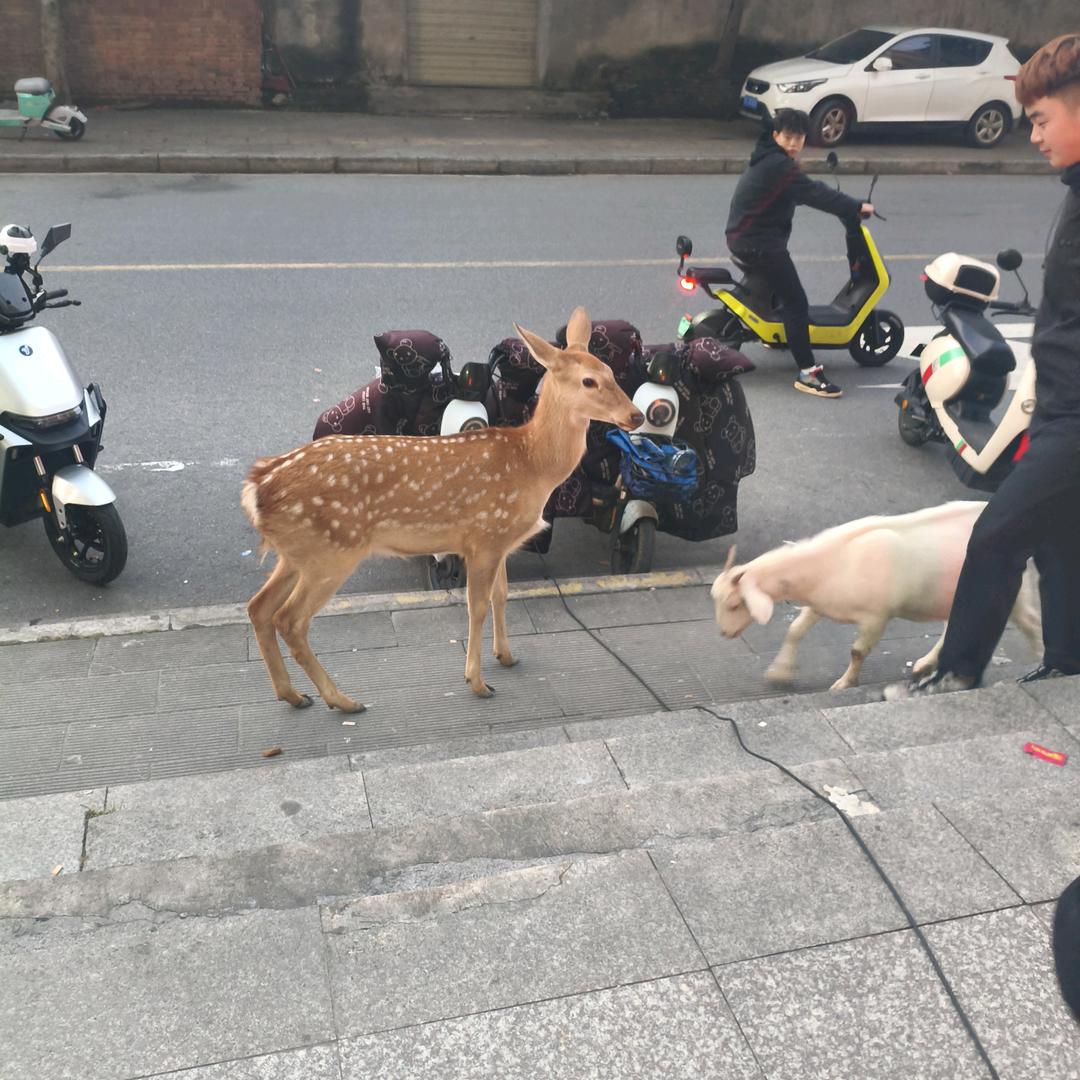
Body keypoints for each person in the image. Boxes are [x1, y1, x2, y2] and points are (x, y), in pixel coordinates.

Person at [884, 33, 1080, 702]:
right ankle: (1068, 666)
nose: (1033, 135)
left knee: (996, 536)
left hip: (1076, 419)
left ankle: (957, 672)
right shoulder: (1075, 189)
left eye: (1041, 119)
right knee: (1059, 542)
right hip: (1057, 404)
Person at [725, 108, 873, 399]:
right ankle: (808, 372)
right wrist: (855, 207)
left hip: (745, 237)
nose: (794, 143)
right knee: (796, 302)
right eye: (788, 137)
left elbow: (796, 191)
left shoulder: (768, 157)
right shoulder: (779, 165)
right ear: (776, 135)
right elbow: (812, 192)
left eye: (799, 137)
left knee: (779, 286)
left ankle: (779, 336)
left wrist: (831, 202)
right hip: (759, 242)